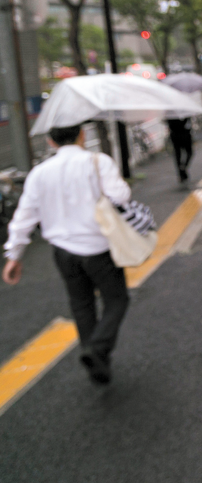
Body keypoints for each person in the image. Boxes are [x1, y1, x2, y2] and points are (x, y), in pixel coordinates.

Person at [2, 125, 131, 385]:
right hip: (99, 247)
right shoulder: (98, 162)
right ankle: (98, 349)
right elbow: (121, 196)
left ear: (51, 142)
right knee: (117, 299)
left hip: (63, 251)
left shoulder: (39, 173)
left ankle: (95, 361)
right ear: (82, 134)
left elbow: (25, 216)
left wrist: (14, 255)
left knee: (81, 304)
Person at [167, 117, 193, 183]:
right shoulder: (184, 114)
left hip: (174, 136)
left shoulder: (169, 115)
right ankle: (184, 166)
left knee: (177, 154)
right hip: (185, 135)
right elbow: (187, 124)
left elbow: (169, 125)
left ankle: (181, 173)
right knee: (189, 152)